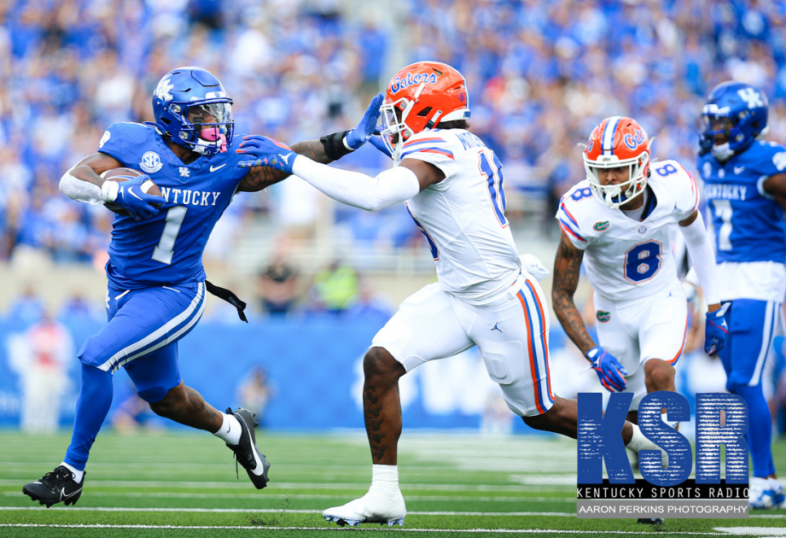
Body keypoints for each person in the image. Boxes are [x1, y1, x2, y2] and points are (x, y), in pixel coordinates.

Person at [237, 61, 667, 527]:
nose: (394, 122)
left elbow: (376, 196)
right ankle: (384, 495)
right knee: (380, 362)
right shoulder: (453, 143)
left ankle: (644, 442)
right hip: (455, 293)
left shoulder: (441, 144)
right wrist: (347, 143)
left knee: (539, 411)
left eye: (402, 111)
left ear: (426, 110)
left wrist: (293, 162)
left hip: (502, 298)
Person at [22, 66, 382, 507]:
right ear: (172, 117)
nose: (215, 123)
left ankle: (70, 473)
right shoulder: (135, 143)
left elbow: (293, 158)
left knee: (96, 357)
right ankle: (236, 430)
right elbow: (72, 179)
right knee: (165, 398)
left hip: (175, 290)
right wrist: (113, 194)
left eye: (217, 111)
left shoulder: (228, 160)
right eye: (202, 114)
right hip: (124, 289)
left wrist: (346, 141)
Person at [550, 116, 725, 422]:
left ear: (643, 165)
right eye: (602, 171)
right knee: (627, 403)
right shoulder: (581, 210)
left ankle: (669, 460)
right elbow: (561, 293)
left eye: (619, 169)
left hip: (661, 296)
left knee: (658, 373)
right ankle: (640, 463)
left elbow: (698, 240)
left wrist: (714, 306)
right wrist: (591, 351)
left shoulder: (673, 185)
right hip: (611, 308)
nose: (610, 179)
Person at [698, 81, 786, 509]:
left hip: (760, 274)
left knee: (744, 379)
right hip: (722, 276)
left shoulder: (770, 161)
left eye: (723, 122)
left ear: (747, 125)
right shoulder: (709, 162)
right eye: (712, 121)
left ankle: (766, 478)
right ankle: (752, 475)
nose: (714, 129)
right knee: (734, 384)